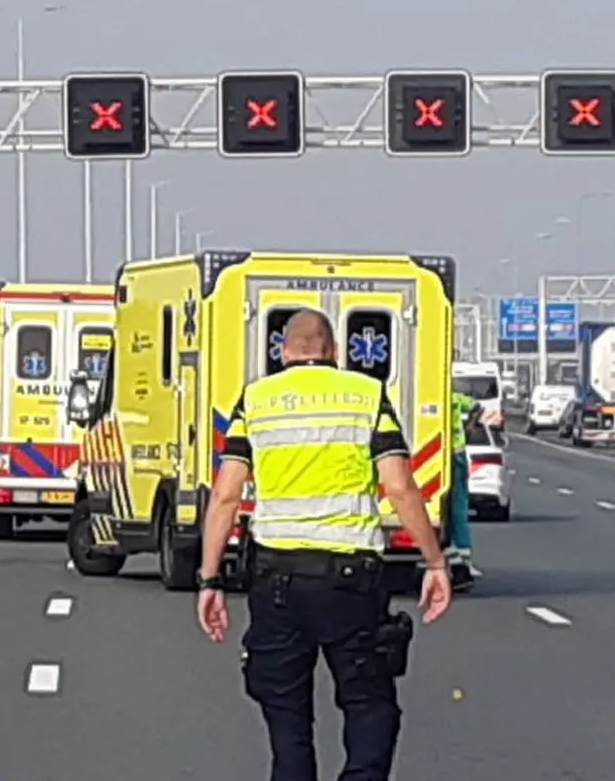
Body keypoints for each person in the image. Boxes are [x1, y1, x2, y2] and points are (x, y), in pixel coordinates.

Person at [195, 310, 451, 781]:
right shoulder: (366, 394)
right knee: (369, 702)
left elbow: (226, 495)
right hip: (350, 582)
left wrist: (209, 579)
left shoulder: (256, 400)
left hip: (276, 579)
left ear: (282, 351)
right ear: (334, 350)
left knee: (287, 714)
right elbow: (399, 487)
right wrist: (434, 562)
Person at [446, 390, 478, 590]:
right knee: (458, 507)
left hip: (441, 452)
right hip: (456, 451)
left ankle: (458, 559)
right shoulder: (455, 398)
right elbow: (476, 406)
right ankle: (462, 561)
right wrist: (469, 427)